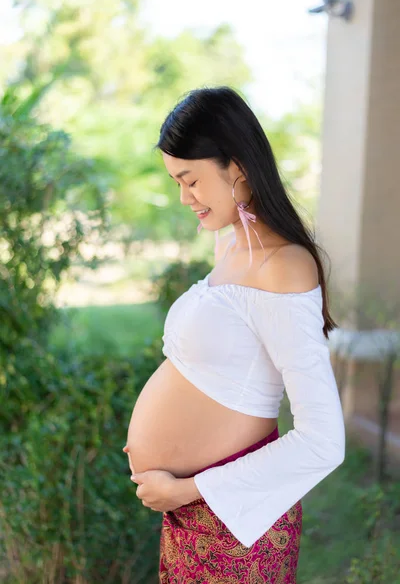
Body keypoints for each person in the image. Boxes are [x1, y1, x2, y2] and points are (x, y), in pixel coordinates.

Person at [123, 85, 345, 583]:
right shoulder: (231, 247)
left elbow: (323, 441)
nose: (184, 198)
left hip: (236, 524)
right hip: (195, 517)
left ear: (237, 166)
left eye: (191, 180)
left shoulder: (285, 266)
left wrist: (185, 489)